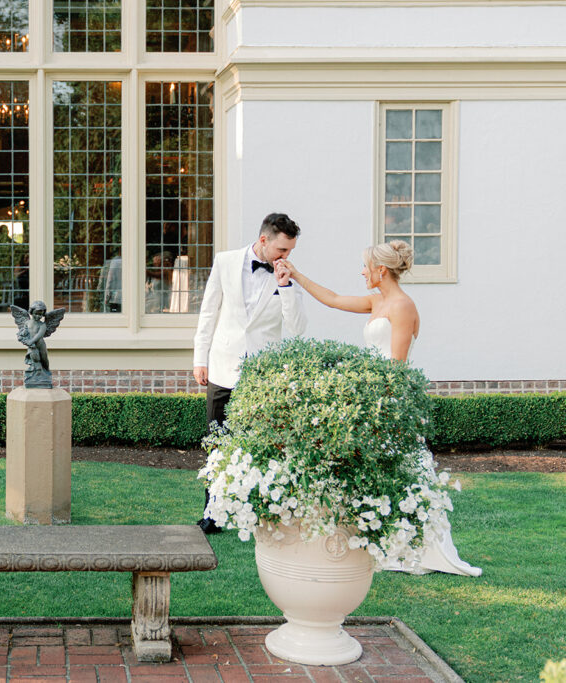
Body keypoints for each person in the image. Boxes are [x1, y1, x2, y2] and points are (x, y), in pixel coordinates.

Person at [276, 240, 482, 577]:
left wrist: (377, 405)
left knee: (404, 475)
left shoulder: (402, 307)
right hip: (372, 399)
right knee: (378, 476)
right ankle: (385, 542)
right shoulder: (377, 302)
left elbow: (397, 367)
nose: (362, 272)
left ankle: (417, 547)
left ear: (380, 270)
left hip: (391, 403)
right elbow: (332, 298)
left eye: (365, 267)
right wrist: (295, 274)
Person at [192, 213, 309, 533]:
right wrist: (199, 357)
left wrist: (285, 286)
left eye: (290, 251)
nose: (286, 257)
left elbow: (298, 327)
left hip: (262, 376)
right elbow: (209, 311)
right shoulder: (225, 262)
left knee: (262, 446)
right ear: (263, 241)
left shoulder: (286, 275)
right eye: (282, 250)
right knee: (216, 443)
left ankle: (259, 514)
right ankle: (212, 513)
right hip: (222, 366)